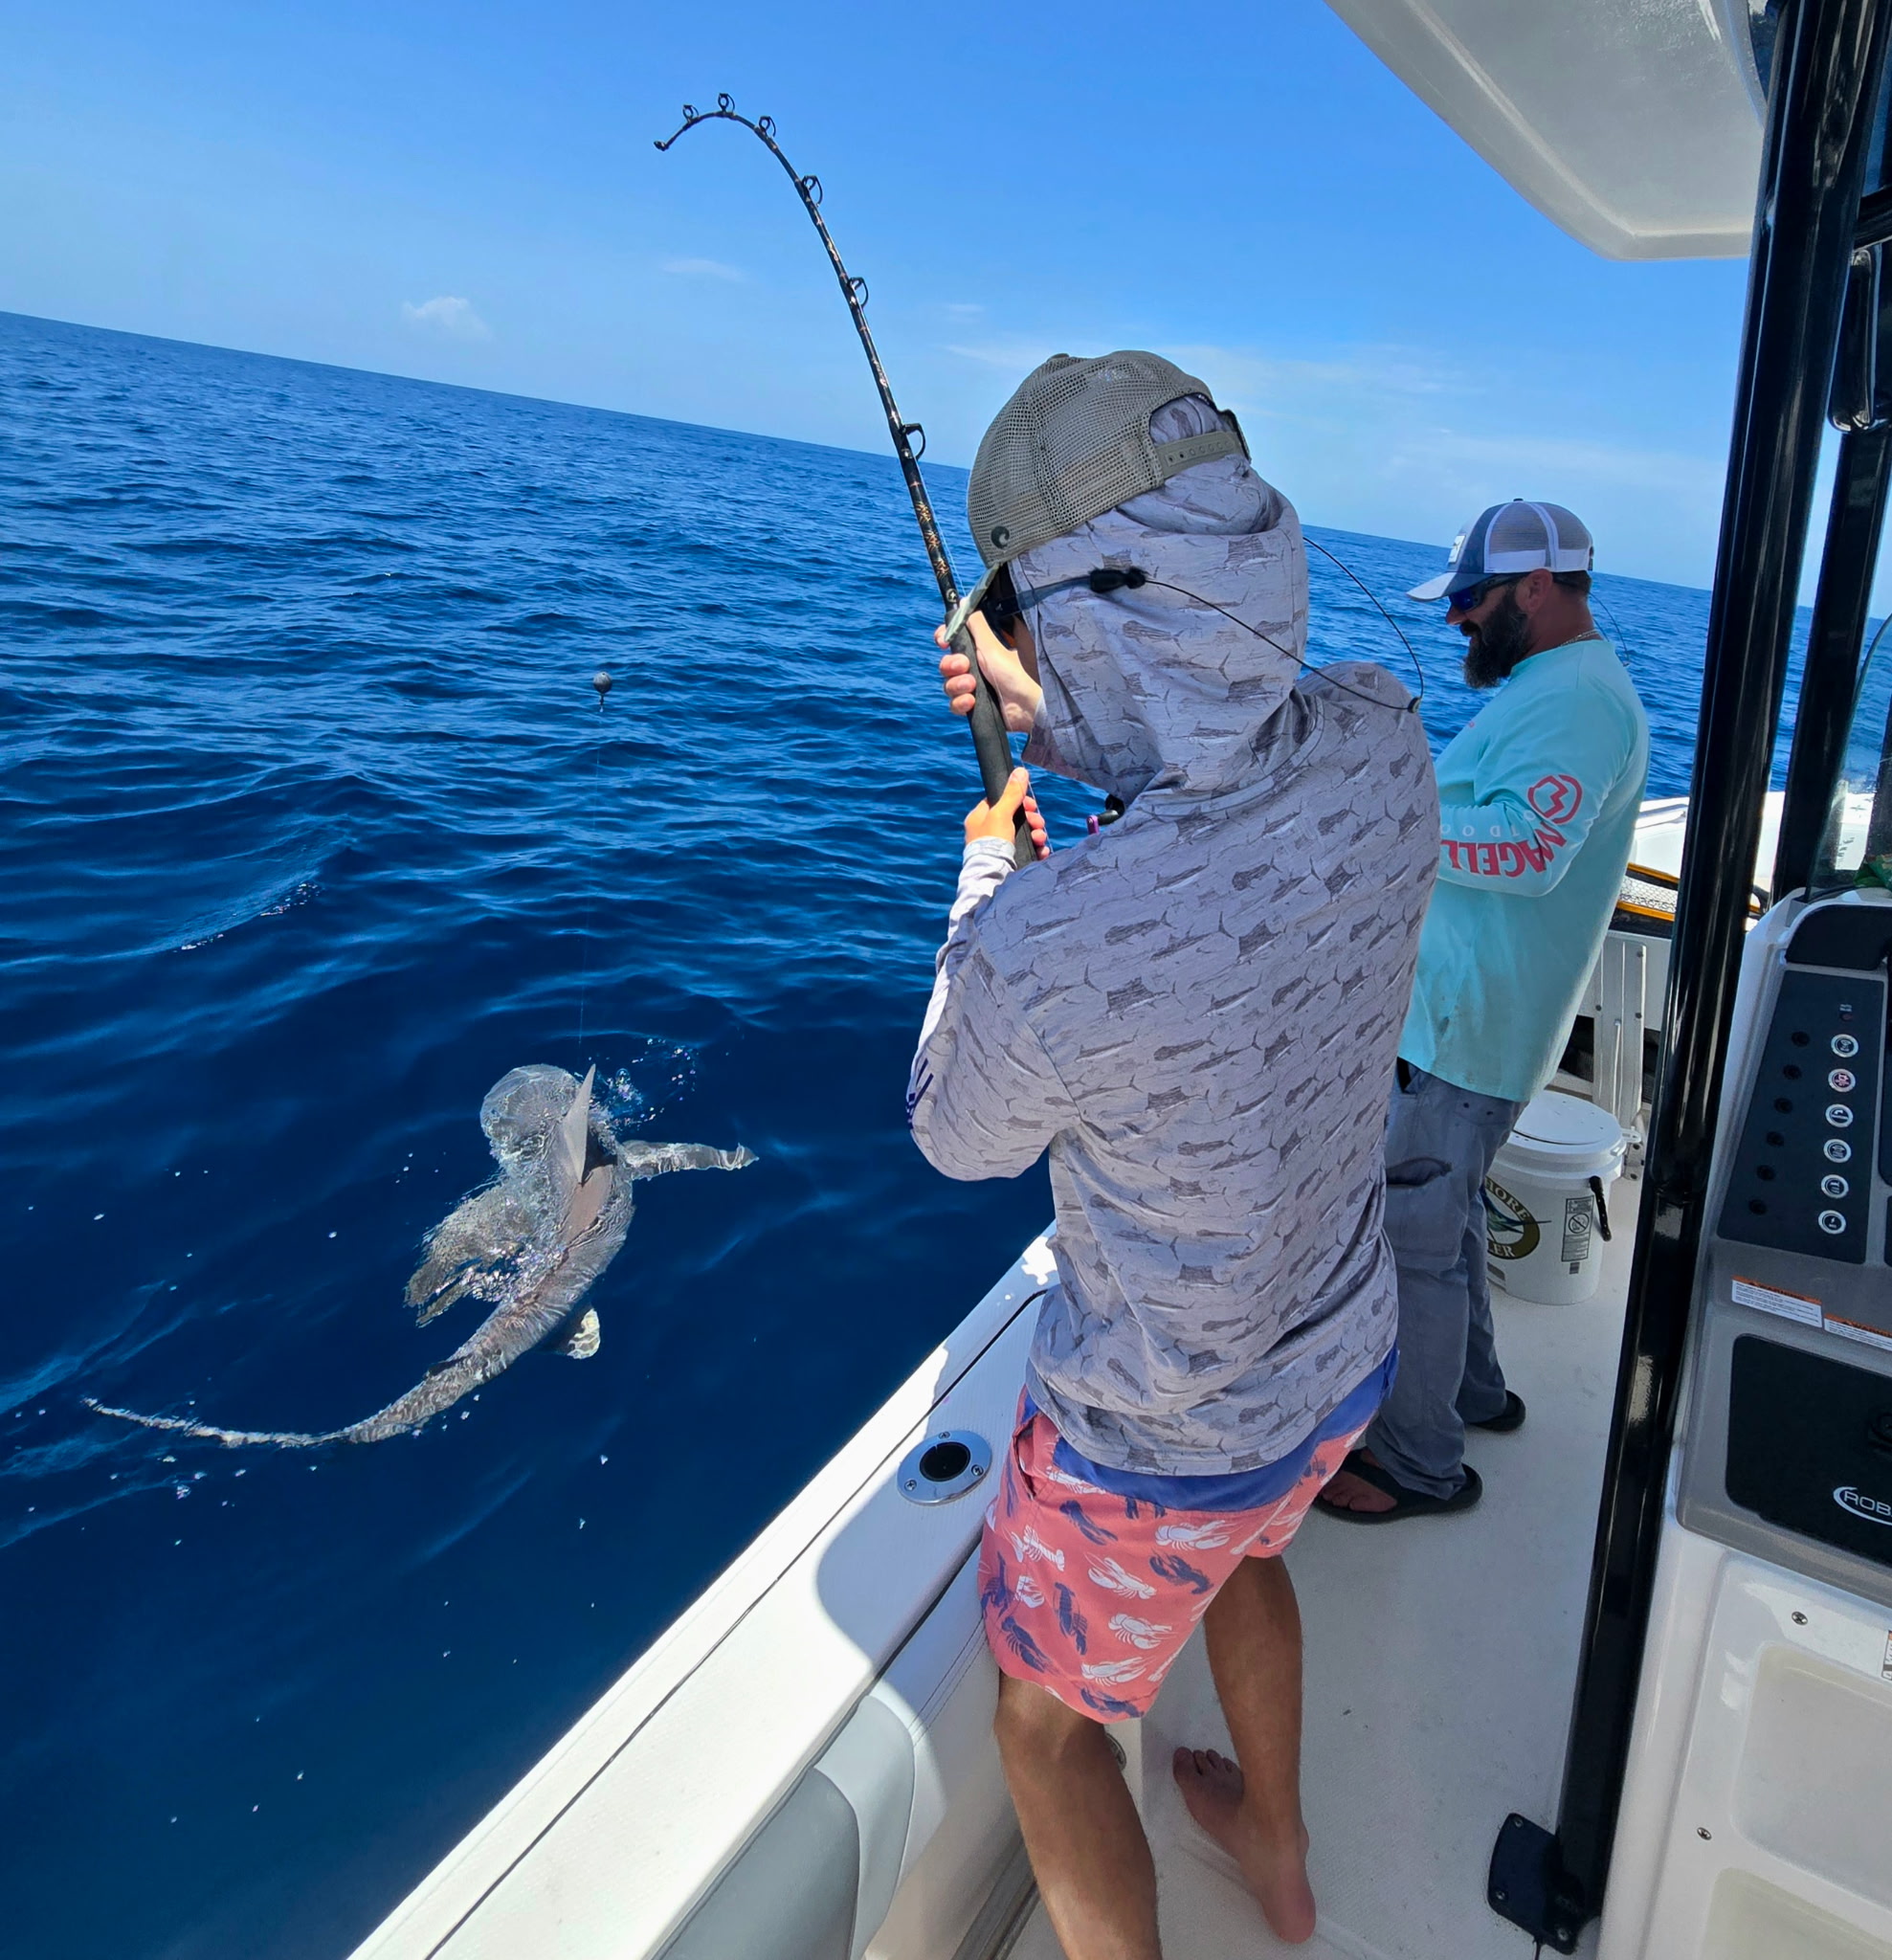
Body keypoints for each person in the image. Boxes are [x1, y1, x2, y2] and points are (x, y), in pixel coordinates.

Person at [911, 350, 1436, 1956]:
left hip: (1157, 1445)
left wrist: (987, 882)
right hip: (1337, 1353)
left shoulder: (1053, 940)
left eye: (1020, 611)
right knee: (1251, 1556)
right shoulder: (1384, 737)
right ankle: (1276, 1851)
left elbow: (954, 1131)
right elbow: (1215, 749)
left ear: (1076, 608)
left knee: (1045, 1730)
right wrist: (1043, 708)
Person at [1318, 501, 1650, 1524]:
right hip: (1463, 1024)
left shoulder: (1584, 699)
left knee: (1411, 1240)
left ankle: (1420, 1463)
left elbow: (1527, 851)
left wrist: (1386, 814)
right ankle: (1474, 1390)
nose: (1458, 619)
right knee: (1445, 1215)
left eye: (1472, 599)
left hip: (1469, 1033)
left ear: (1538, 586)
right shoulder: (1555, 683)